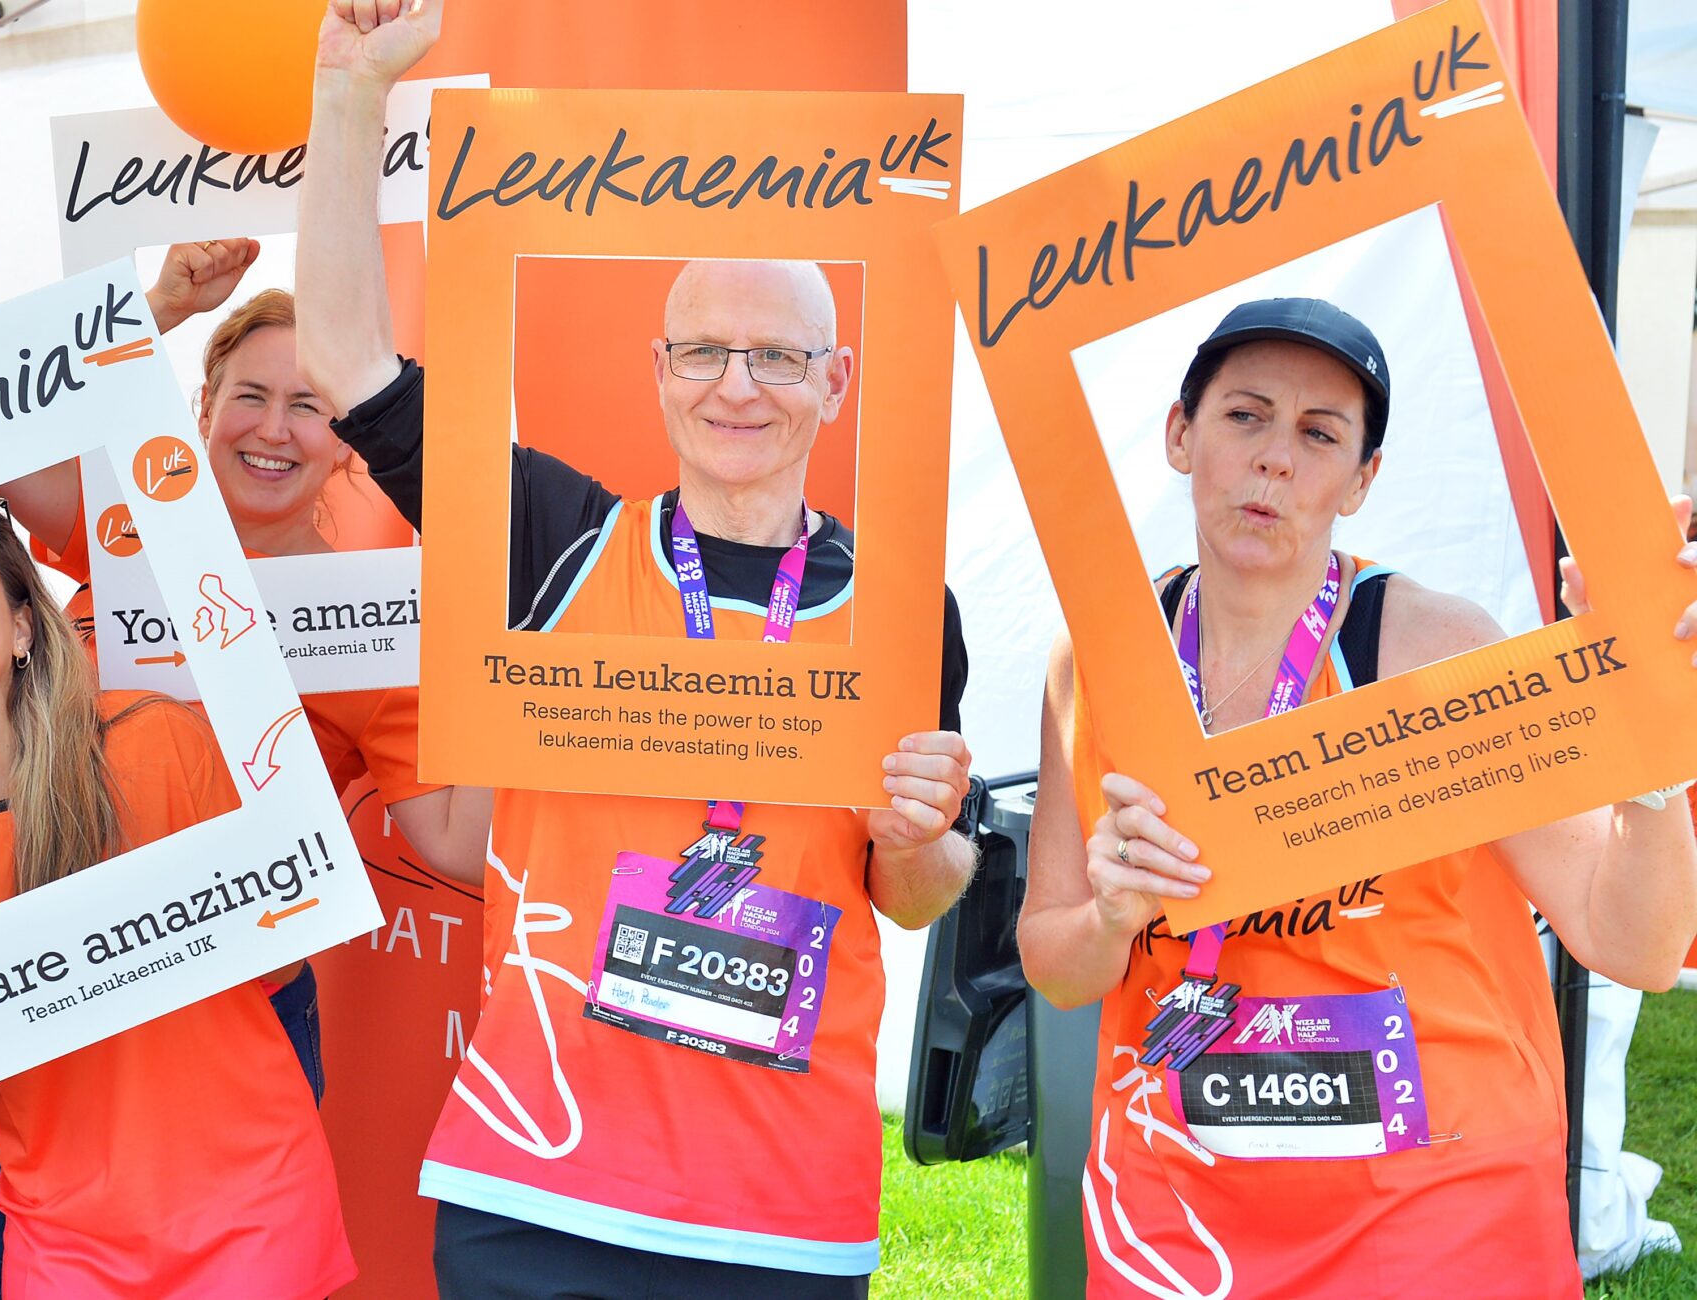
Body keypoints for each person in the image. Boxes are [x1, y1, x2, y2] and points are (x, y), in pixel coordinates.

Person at [296, 3, 978, 1292]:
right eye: (708, 352)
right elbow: (344, 355)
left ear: (837, 381)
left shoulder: (903, 603)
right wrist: (348, 90)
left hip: (781, 1201)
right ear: (659, 370)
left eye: (777, 356)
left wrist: (921, 839)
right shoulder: (552, 539)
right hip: (538, 1172)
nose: (739, 386)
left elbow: (916, 892)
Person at [1018, 297, 1697, 1299]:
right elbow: (1055, 960)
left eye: (1318, 434)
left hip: (1429, 1205)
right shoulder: (1102, 658)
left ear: (1361, 479)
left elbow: (1628, 941)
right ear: (1179, 434)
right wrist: (1114, 912)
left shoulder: (1430, 649)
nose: (1274, 461)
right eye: (1244, 416)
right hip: (1180, 1204)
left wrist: (1650, 757)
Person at [0, 499, 357, 1298]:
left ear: (23, 626)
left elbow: (279, 958)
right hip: (63, 1234)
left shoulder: (155, 739)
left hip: (246, 1201)